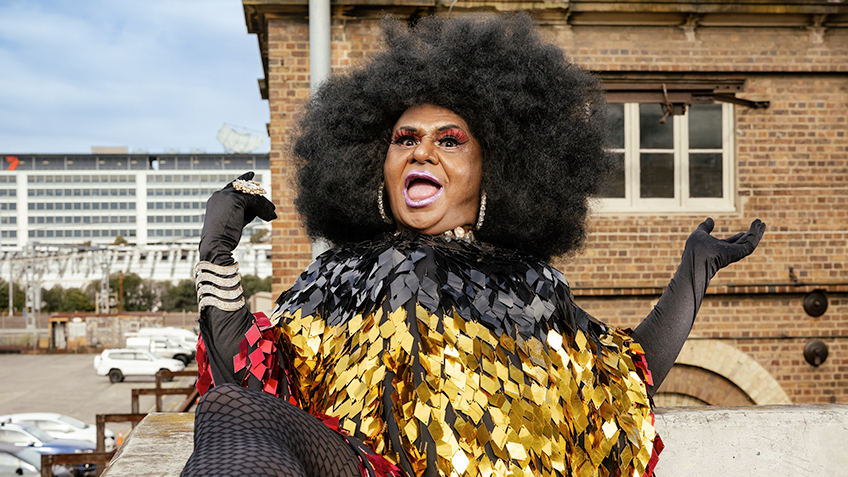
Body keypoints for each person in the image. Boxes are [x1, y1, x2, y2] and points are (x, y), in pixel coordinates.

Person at [182, 13, 765, 477]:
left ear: (494, 170)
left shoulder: (531, 286)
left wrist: (694, 275)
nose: (421, 152)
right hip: (366, 471)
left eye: (450, 140)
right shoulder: (336, 277)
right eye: (404, 139)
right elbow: (251, 380)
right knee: (228, 410)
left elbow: (621, 382)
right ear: (376, 164)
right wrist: (217, 252)